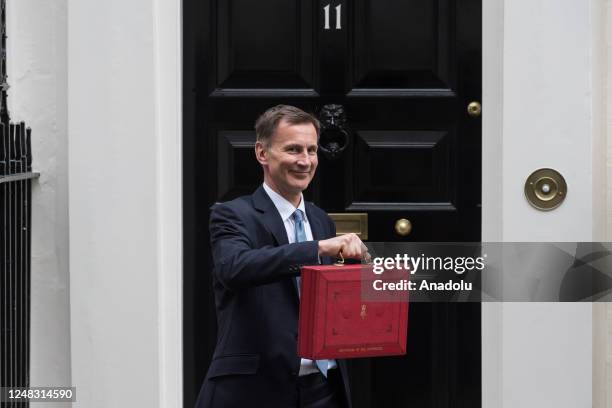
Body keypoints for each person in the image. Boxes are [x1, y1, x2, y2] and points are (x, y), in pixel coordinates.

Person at [195, 105, 368, 408]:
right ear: (262, 153)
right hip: (255, 390)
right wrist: (317, 249)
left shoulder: (320, 220)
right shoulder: (233, 214)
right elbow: (234, 268)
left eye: (311, 150)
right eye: (293, 149)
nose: (305, 161)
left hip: (323, 388)